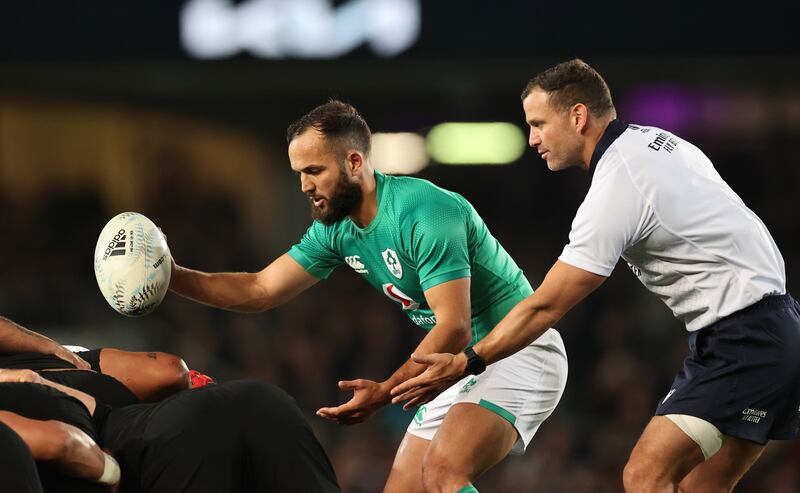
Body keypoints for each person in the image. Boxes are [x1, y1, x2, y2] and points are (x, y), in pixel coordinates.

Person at [390, 58, 800, 492]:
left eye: (538, 123)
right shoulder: (657, 142)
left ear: (578, 115)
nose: (532, 139)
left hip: (744, 340)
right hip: (776, 329)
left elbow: (547, 304)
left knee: (645, 474)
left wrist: (468, 361)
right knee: (699, 488)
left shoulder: (620, 181)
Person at [166, 100, 568, 493]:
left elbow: (455, 326)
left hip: (518, 347)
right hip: (455, 365)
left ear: (354, 163)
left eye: (314, 170)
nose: (305, 184)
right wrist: (171, 276)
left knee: (444, 473)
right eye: (299, 173)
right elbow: (259, 289)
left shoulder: (425, 213)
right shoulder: (335, 228)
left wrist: (385, 391)